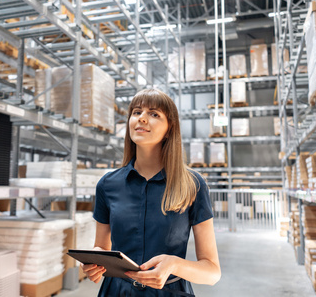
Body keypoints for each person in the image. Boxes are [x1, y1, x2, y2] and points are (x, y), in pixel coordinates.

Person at [83, 88, 221, 296]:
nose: (142, 119)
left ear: (169, 128)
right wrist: (94, 259)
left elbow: (212, 272)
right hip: (117, 291)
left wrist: (174, 264)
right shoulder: (107, 184)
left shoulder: (192, 185)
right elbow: (101, 248)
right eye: (136, 112)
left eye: (154, 114)